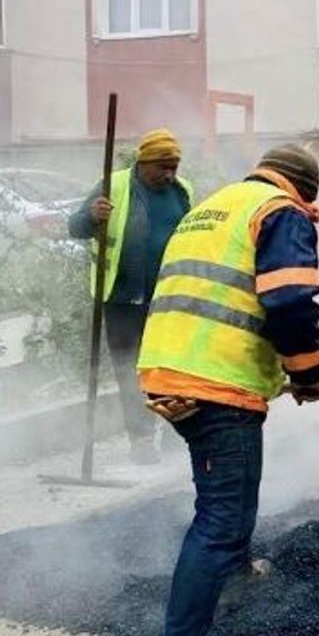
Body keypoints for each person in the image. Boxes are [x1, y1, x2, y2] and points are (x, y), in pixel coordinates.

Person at [137, 145, 319, 636]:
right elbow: (290, 301)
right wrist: (308, 375)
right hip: (216, 383)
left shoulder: (215, 207)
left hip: (170, 369)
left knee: (233, 495)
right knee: (219, 520)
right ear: (304, 191)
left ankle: (239, 576)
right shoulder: (281, 211)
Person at [68, 128, 194, 464]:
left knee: (171, 368)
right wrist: (92, 216)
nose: (169, 175)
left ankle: (174, 433)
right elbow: (74, 227)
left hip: (170, 298)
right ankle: (141, 439)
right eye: (162, 168)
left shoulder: (183, 191)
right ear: (144, 162)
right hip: (123, 299)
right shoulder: (115, 185)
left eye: (174, 167)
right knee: (131, 372)